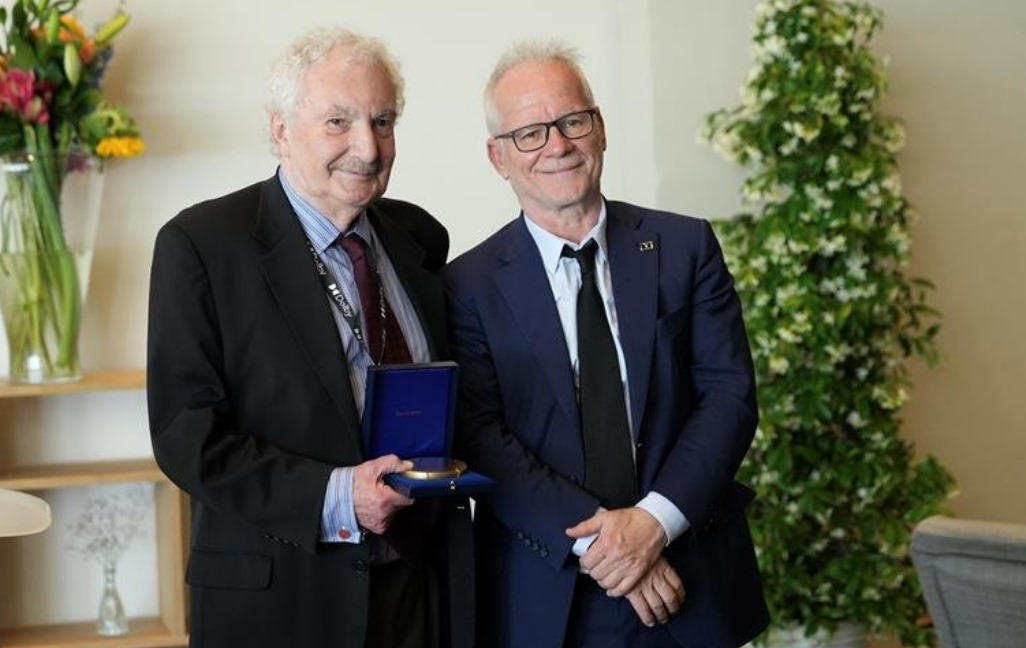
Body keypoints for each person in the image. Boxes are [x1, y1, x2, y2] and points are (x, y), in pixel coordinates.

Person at [147, 27, 473, 648]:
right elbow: (185, 437)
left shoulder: (419, 238)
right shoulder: (202, 246)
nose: (367, 147)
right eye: (337, 121)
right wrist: (336, 496)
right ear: (279, 129)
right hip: (283, 598)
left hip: (419, 590)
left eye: (383, 121)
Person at [442, 40, 769, 648]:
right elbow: (481, 435)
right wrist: (606, 544)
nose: (558, 145)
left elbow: (728, 396)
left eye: (572, 121)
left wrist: (652, 524)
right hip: (550, 595)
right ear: (498, 157)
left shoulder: (685, 247)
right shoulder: (466, 285)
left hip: (690, 576)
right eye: (531, 133)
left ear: (600, 129)